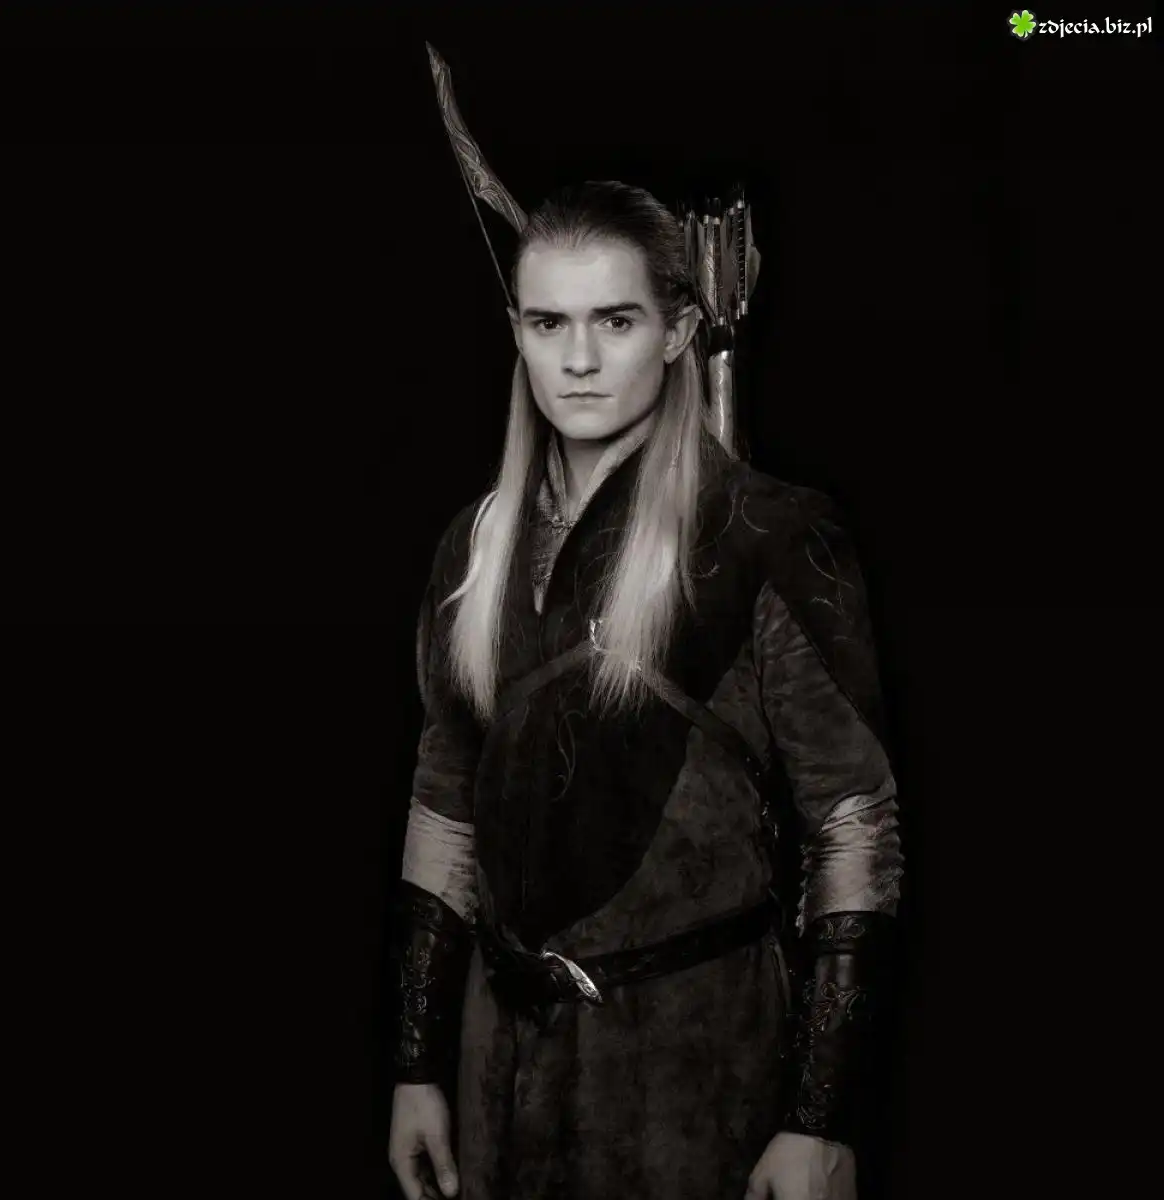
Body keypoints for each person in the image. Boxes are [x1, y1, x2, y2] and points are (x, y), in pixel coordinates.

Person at [384, 177, 904, 1200]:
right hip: (502, 1070)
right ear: (517, 332)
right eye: (549, 323)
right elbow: (444, 813)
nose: (577, 359)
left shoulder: (771, 533)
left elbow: (852, 825)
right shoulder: (475, 546)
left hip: (695, 1064)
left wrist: (817, 1119)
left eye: (615, 321)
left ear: (677, 333)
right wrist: (417, 1067)